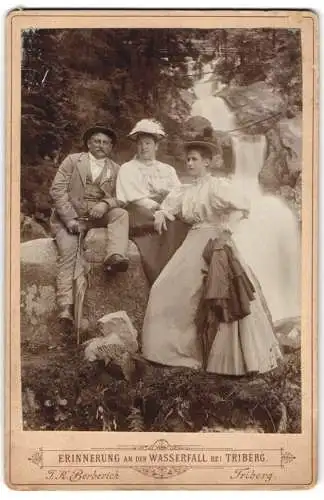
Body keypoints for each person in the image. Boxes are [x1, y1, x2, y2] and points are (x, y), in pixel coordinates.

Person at [141, 128, 282, 375]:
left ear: (207, 162)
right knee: (163, 287)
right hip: (192, 241)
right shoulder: (185, 190)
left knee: (214, 293)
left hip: (214, 242)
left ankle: (204, 357)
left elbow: (242, 207)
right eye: (188, 159)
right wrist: (162, 213)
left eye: (195, 159)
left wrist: (227, 230)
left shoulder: (217, 187)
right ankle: (173, 352)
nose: (190, 163)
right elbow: (169, 207)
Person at [50, 125, 129, 325]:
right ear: (88, 143)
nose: (100, 145)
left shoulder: (117, 170)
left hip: (96, 217)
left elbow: (122, 197)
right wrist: (69, 219)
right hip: (69, 219)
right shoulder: (72, 161)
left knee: (120, 214)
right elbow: (57, 190)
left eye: (105, 142)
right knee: (68, 253)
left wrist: (105, 204)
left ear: (111, 147)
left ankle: (115, 255)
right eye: (96, 141)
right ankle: (65, 307)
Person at [116, 119, 189, 284]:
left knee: (179, 223)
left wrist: (166, 210)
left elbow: (178, 193)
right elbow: (133, 197)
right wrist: (158, 209)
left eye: (148, 143)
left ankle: (178, 271)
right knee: (164, 225)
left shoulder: (167, 170)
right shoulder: (128, 168)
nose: (144, 147)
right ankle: (161, 275)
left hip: (165, 209)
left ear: (156, 146)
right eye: (141, 144)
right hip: (139, 211)